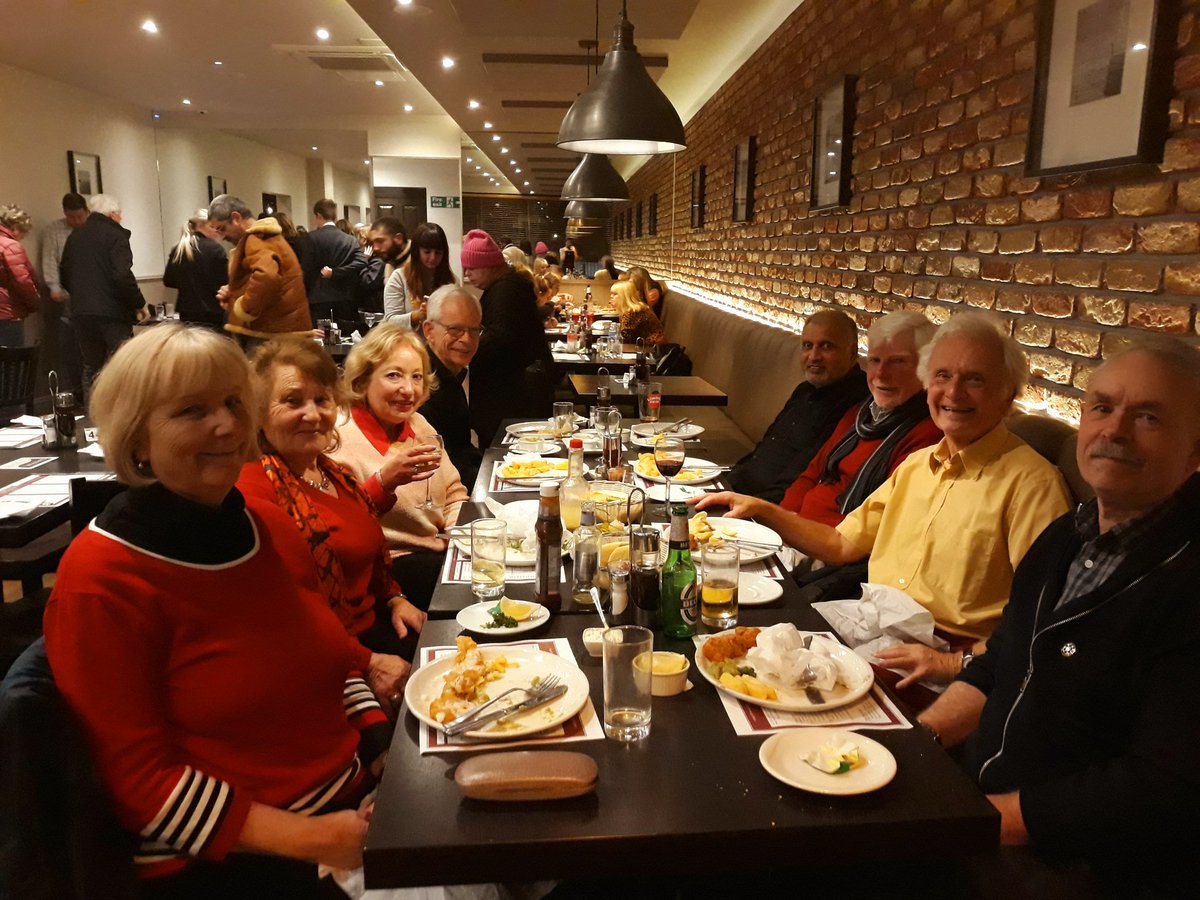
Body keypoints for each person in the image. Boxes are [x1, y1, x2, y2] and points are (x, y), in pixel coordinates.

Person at [43, 325, 388, 895]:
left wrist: (379, 747)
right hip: (237, 866)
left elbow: (325, 651)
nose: (228, 426)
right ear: (136, 439)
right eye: (191, 411)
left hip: (353, 814)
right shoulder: (100, 580)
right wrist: (318, 839)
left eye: (233, 402)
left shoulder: (261, 522)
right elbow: (141, 786)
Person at [918, 336, 1200, 895]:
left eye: (1147, 417)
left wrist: (970, 824)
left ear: (1196, 449)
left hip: (1076, 865)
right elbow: (1000, 662)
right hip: (979, 801)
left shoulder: (1185, 582)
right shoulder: (1066, 536)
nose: (1114, 431)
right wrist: (913, 744)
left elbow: (1161, 787)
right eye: (1102, 407)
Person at [712, 313, 1072, 700]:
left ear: (1009, 393)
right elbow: (839, 544)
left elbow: (1045, 619)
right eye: (942, 376)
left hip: (937, 657)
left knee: (777, 698)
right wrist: (761, 510)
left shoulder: (1033, 485)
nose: (953, 393)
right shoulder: (919, 465)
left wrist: (954, 662)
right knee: (729, 643)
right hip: (867, 621)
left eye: (975, 380)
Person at [238, 339, 427, 667]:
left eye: (321, 399)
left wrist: (395, 597)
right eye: (292, 401)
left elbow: (369, 547)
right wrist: (367, 664)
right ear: (258, 412)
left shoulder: (331, 472)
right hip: (332, 655)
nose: (312, 414)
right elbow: (284, 620)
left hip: (377, 624)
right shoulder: (254, 488)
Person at [698, 311, 941, 541]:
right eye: (875, 360)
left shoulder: (922, 435)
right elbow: (812, 470)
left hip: (815, 540)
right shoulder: (863, 411)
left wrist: (771, 520)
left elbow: (856, 538)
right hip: (783, 520)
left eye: (898, 362)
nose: (881, 374)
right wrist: (780, 516)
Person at [330, 325, 469, 609]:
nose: (408, 390)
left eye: (416, 377)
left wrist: (463, 539)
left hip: (438, 553)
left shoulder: (419, 425)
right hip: (386, 572)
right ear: (363, 379)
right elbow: (342, 530)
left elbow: (454, 492)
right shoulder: (338, 436)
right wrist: (385, 482)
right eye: (393, 375)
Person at [726, 309, 868, 503]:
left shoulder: (854, 405)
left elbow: (799, 479)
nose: (813, 356)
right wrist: (727, 481)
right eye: (807, 346)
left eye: (826, 346)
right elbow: (765, 448)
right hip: (740, 489)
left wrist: (749, 507)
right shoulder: (804, 390)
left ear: (852, 353)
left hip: (764, 508)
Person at [460, 229, 555, 447]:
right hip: (516, 391)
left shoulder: (505, 290)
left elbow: (499, 339)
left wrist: (467, 351)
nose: (467, 274)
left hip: (510, 396)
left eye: (472, 268)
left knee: (503, 451)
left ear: (490, 264)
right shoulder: (508, 285)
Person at [59, 193, 147, 392]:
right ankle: (125, 419)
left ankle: (94, 418)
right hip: (112, 313)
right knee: (125, 366)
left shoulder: (75, 236)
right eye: (120, 214)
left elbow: (64, 272)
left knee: (92, 368)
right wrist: (138, 303)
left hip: (81, 312)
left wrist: (81, 295)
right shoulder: (116, 235)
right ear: (113, 214)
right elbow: (122, 276)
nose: (121, 218)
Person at [208, 194, 312, 352]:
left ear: (236, 218)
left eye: (222, 229)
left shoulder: (256, 239)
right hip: (279, 329)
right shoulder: (266, 238)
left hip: (268, 333)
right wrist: (234, 293)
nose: (222, 237)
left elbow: (267, 276)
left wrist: (244, 308)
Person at [419, 285, 484, 487]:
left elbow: (462, 448)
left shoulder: (449, 374)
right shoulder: (421, 384)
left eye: (474, 330)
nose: (467, 339)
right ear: (429, 331)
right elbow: (441, 468)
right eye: (455, 329)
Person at [38, 192, 88, 392]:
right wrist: (54, 287)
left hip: (89, 294)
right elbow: (49, 260)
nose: (76, 221)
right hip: (66, 296)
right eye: (71, 217)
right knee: (70, 348)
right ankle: (74, 392)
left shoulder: (92, 229)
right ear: (65, 214)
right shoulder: (54, 231)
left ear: (87, 212)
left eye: (79, 217)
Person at [161, 214, 227, 330]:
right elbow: (225, 280)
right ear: (201, 226)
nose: (216, 231)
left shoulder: (179, 248)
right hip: (212, 310)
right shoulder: (215, 249)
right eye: (212, 227)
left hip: (186, 310)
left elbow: (168, 280)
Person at [386, 222, 456, 329]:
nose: (433, 258)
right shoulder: (399, 277)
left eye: (438, 253)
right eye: (427, 252)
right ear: (416, 252)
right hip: (407, 342)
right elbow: (390, 321)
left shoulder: (451, 280)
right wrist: (418, 315)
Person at [309, 199, 366, 325]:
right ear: (334, 216)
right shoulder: (350, 240)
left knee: (320, 337)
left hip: (317, 297)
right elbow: (361, 261)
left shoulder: (310, 238)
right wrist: (336, 272)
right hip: (344, 297)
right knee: (346, 336)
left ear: (318, 215)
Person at [0, 204, 45, 346]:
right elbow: (22, 282)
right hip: (7, 313)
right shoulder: (10, 246)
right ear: (16, 227)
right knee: (11, 362)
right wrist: (38, 304)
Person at [363, 216, 408, 318]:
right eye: (373, 242)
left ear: (398, 239)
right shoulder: (390, 262)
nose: (375, 248)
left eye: (380, 241)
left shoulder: (419, 261)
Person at [611, 280, 665, 346]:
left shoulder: (632, 313)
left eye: (615, 294)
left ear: (624, 296)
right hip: (646, 347)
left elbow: (624, 341)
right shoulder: (633, 310)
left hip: (652, 350)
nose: (611, 296)